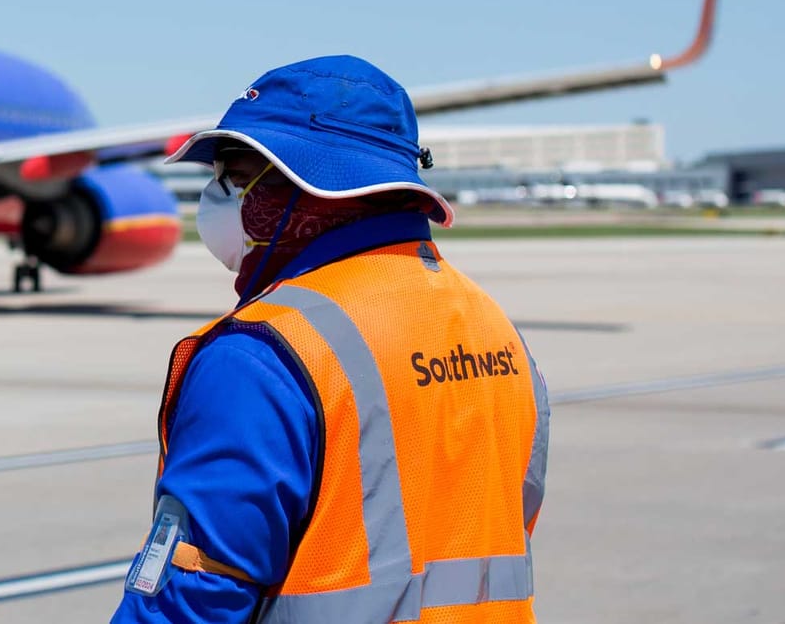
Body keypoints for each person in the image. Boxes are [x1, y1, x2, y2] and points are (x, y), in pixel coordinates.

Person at [111, 55, 547, 624]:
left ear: (315, 185)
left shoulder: (261, 357)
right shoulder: (497, 331)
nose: (218, 198)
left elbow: (192, 597)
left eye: (237, 178)